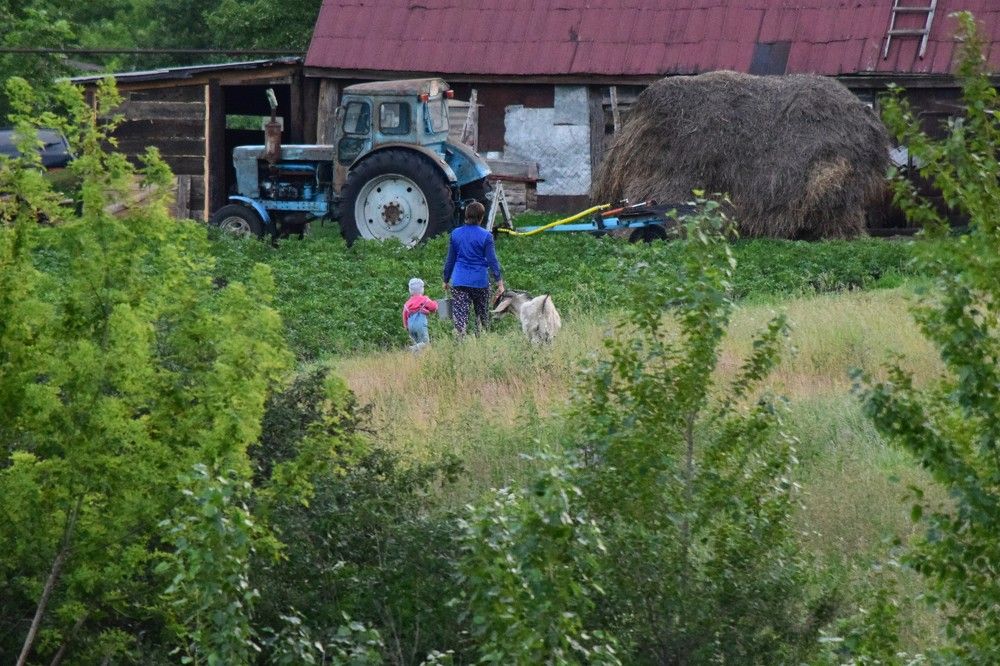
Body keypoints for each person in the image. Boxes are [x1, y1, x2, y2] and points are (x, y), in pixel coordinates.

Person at [442, 201, 504, 337]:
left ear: (466, 215)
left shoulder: (455, 234)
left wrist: (446, 279)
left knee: (460, 318)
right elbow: (492, 260)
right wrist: (499, 282)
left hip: (459, 281)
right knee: (482, 316)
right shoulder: (486, 236)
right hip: (480, 282)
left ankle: (460, 341)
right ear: (481, 217)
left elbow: (450, 259)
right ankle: (482, 342)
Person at [402, 277, 438, 350]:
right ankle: (412, 348)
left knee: (417, 343)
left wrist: (406, 326)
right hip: (420, 325)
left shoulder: (407, 303)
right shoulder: (424, 299)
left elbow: (404, 314)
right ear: (422, 289)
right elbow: (433, 307)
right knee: (425, 343)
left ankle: (417, 358)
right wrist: (435, 303)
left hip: (410, 326)